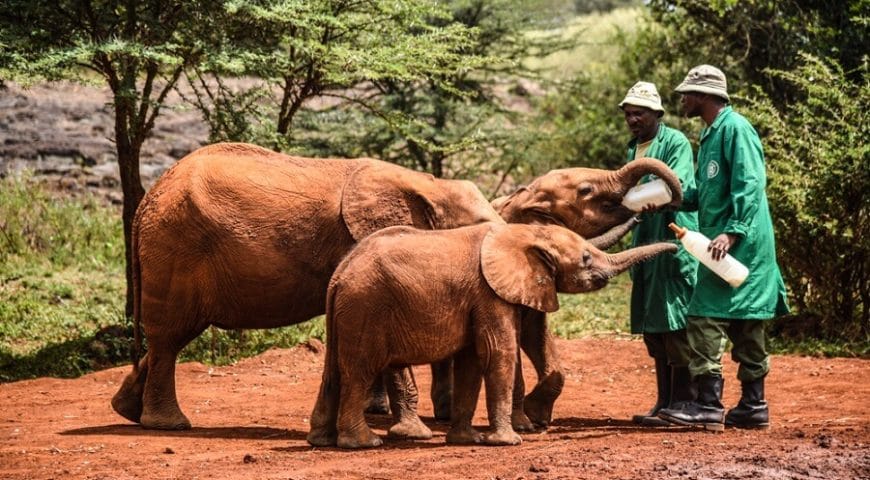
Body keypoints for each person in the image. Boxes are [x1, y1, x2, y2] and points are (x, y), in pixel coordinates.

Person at [657, 65, 789, 431]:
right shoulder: (711, 134)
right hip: (728, 245)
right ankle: (753, 405)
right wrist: (672, 199)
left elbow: (750, 183)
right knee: (747, 323)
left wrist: (733, 232)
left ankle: (708, 405)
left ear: (704, 95)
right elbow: (709, 194)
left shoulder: (735, 128)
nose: (682, 99)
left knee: (701, 316)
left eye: (687, 93)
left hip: (740, 246)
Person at [618, 81, 699, 427]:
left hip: (671, 240)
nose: (633, 119)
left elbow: (675, 186)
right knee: (653, 325)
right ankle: (664, 402)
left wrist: (634, 200)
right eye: (629, 114)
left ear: (657, 114)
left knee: (674, 322)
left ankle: (684, 401)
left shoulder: (675, 143)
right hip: (645, 243)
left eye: (640, 113)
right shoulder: (633, 149)